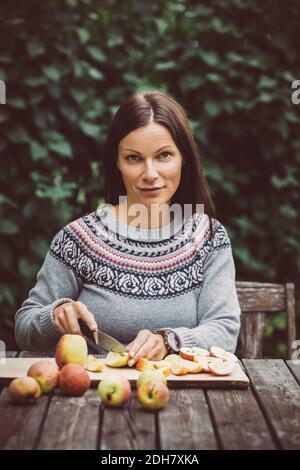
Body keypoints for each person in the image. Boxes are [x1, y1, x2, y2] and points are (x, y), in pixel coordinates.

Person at [15, 89, 241, 366]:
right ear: (117, 162)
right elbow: (24, 328)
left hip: (187, 397)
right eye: (134, 158)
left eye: (164, 155)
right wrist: (54, 315)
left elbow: (224, 329)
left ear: (184, 157)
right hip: (88, 398)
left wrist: (170, 341)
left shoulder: (208, 238)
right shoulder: (78, 239)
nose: (150, 174)